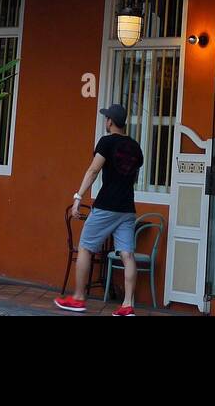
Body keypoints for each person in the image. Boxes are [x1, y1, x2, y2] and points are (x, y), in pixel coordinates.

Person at [55, 103, 145, 316]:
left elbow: (94, 169)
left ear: (110, 121)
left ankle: (78, 298)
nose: (106, 121)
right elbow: (134, 175)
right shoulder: (134, 146)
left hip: (106, 205)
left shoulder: (106, 142)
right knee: (127, 254)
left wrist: (78, 197)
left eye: (106, 118)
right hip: (127, 207)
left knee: (85, 247)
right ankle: (127, 305)